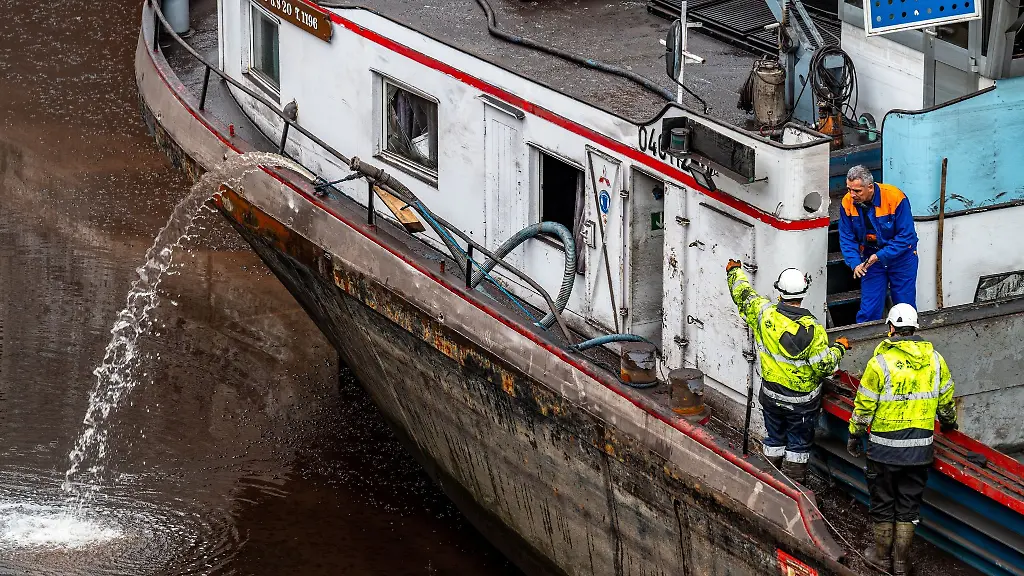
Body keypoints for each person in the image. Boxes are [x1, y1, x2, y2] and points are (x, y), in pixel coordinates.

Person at [846, 303, 958, 576]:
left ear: (891, 328)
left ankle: (882, 559)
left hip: (884, 451)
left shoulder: (879, 363)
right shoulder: (935, 360)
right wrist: (949, 424)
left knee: (883, 502)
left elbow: (864, 407)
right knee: (909, 505)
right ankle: (901, 563)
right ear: (915, 328)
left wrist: (854, 434)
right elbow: (945, 402)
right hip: (919, 451)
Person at [726, 260, 850, 483]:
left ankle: (770, 483)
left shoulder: (764, 315)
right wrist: (839, 347)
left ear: (779, 292)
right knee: (798, 446)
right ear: (803, 293)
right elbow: (826, 367)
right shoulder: (813, 330)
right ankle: (793, 485)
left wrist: (734, 271)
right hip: (802, 404)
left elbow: (743, 295)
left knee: (774, 439)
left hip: (772, 396)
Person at [839, 165, 919, 323]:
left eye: (857, 191)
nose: (851, 195)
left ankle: (909, 343)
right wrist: (855, 263)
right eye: (849, 189)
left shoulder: (895, 197)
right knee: (869, 311)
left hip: (901, 259)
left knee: (905, 309)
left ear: (870, 187)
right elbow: (846, 237)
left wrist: (880, 255)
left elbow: (906, 236)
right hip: (870, 260)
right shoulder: (847, 202)